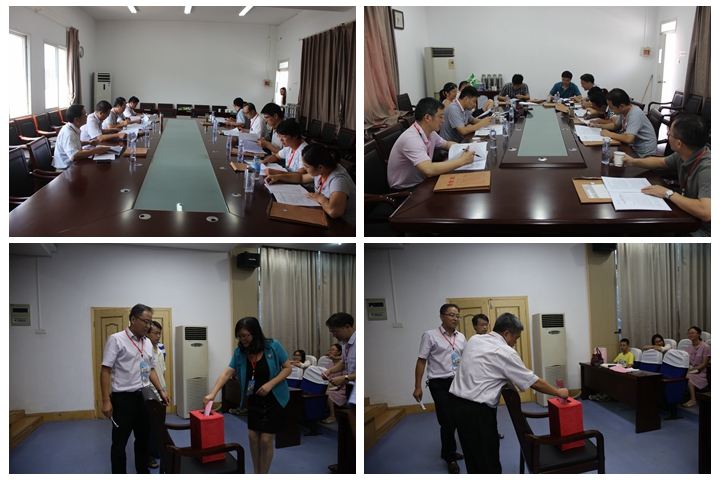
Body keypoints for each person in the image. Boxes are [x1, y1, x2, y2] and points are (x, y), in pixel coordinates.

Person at [449, 312, 569, 474]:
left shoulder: (475, 340)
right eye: (516, 338)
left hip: (456, 406)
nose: (514, 343)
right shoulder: (505, 352)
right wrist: (559, 392)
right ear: (506, 333)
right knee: (488, 463)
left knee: (473, 458)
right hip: (478, 413)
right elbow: (533, 381)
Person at [203, 317, 292, 474]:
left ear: (255, 333)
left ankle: (263, 474)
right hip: (255, 399)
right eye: (239, 336)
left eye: (245, 335)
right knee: (253, 436)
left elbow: (287, 368)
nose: (242, 339)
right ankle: (256, 472)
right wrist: (212, 393)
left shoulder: (273, 346)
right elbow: (226, 373)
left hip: (275, 399)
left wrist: (270, 384)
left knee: (266, 439)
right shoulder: (240, 352)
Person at [101, 304, 171, 474]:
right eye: (145, 321)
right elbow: (105, 370)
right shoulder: (116, 340)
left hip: (145, 397)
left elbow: (151, 369)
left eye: (150, 322)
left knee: (143, 440)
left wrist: (161, 390)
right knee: (119, 443)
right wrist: (106, 401)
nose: (148, 326)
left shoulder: (147, 343)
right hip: (123, 400)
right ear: (133, 319)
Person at [622, 114, 710, 236]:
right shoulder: (686, 153)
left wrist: (667, 193)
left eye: (670, 134)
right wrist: (633, 161)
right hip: (689, 216)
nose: (668, 137)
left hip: (703, 230)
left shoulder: (707, 169)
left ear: (679, 143)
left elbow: (706, 212)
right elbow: (660, 162)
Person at [413, 304, 467, 474]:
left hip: (458, 382)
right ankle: (450, 457)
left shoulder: (461, 337)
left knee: (458, 418)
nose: (455, 319)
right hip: (439, 384)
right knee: (447, 420)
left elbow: (465, 360)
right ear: (442, 316)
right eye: (451, 315)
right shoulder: (430, 336)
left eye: (457, 316)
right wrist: (417, 386)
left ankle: (448, 450)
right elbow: (421, 361)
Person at [387, 97, 475, 191]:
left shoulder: (430, 133)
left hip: (423, 180)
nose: (443, 121)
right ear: (427, 118)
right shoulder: (411, 139)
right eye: (440, 117)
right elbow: (428, 170)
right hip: (407, 189)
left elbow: (446, 144)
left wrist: (467, 148)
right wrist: (461, 161)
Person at [265, 143, 356, 225]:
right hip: (324, 214)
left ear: (320, 167)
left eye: (306, 166)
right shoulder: (323, 169)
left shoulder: (338, 180)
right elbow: (301, 178)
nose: (304, 168)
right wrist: (278, 177)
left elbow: (334, 212)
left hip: (344, 225)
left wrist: (321, 199)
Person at [323, 313, 356, 473]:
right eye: (332, 332)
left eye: (335, 332)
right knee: (349, 429)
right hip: (350, 386)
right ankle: (348, 464)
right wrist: (330, 371)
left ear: (347, 326)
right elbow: (344, 363)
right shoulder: (345, 343)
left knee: (355, 429)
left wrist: (345, 378)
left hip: (356, 387)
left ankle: (353, 467)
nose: (334, 336)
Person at [589, 88, 657, 157]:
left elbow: (628, 139)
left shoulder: (634, 115)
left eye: (611, 107)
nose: (610, 109)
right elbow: (616, 125)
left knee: (608, 154)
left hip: (643, 153)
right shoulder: (625, 111)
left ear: (621, 106)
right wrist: (598, 126)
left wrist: (609, 134)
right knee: (608, 151)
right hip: (633, 146)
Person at [52, 104, 112, 171]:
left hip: (74, 165)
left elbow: (75, 143)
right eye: (85, 115)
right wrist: (94, 151)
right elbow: (74, 156)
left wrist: (89, 142)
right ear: (76, 120)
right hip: (65, 170)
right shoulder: (68, 134)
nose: (87, 116)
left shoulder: (72, 128)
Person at [146, 321, 166, 470]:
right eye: (155, 333)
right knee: (149, 428)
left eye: (159, 333)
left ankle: (157, 450)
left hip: (161, 392)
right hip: (151, 393)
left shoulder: (160, 349)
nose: (158, 336)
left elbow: (161, 372)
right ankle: (148, 456)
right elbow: (145, 375)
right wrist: (156, 392)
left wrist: (164, 390)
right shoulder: (143, 350)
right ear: (147, 333)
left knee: (159, 426)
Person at [683, 326, 711, 407]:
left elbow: (704, 364)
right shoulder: (688, 348)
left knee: (688, 376)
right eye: (689, 333)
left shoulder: (705, 347)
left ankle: (693, 400)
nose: (690, 335)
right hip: (691, 370)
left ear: (699, 334)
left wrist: (691, 370)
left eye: (692, 333)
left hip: (701, 373)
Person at [321, 344, 347, 425]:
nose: (330, 351)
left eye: (333, 350)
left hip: (342, 388)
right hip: (331, 386)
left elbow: (345, 380)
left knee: (327, 393)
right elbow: (327, 377)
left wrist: (334, 385)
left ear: (339, 352)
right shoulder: (328, 365)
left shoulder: (344, 365)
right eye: (330, 349)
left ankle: (332, 416)